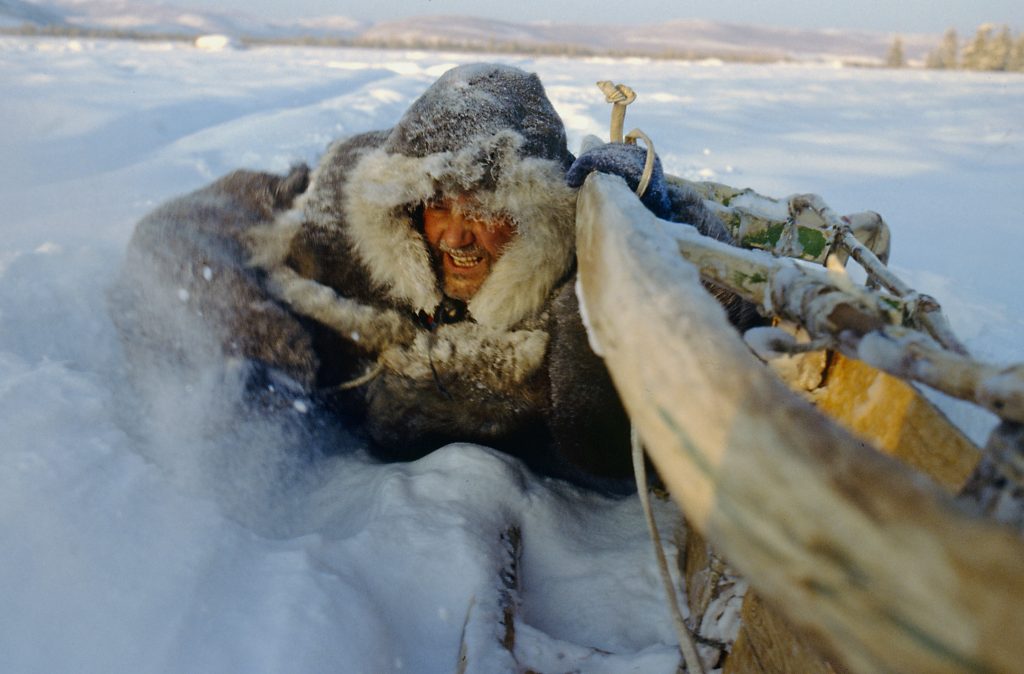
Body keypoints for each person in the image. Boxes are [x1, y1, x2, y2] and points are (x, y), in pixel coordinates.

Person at [111, 63, 754, 490]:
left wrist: (655, 224)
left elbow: (731, 331)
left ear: (538, 215)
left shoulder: (576, 283)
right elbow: (176, 234)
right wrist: (264, 346)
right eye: (438, 204)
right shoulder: (342, 218)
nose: (455, 234)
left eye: (486, 207)